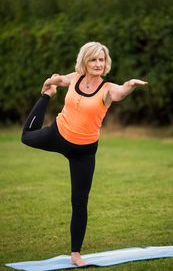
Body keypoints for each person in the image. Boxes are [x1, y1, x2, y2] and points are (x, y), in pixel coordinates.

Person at [21, 41, 148, 266]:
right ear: (85, 61)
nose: (98, 64)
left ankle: (75, 255)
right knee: (27, 136)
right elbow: (60, 80)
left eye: (102, 60)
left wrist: (129, 85)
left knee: (79, 202)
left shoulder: (107, 88)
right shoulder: (76, 77)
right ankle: (46, 97)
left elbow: (119, 93)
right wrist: (51, 84)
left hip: (84, 151)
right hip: (58, 134)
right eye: (93, 59)